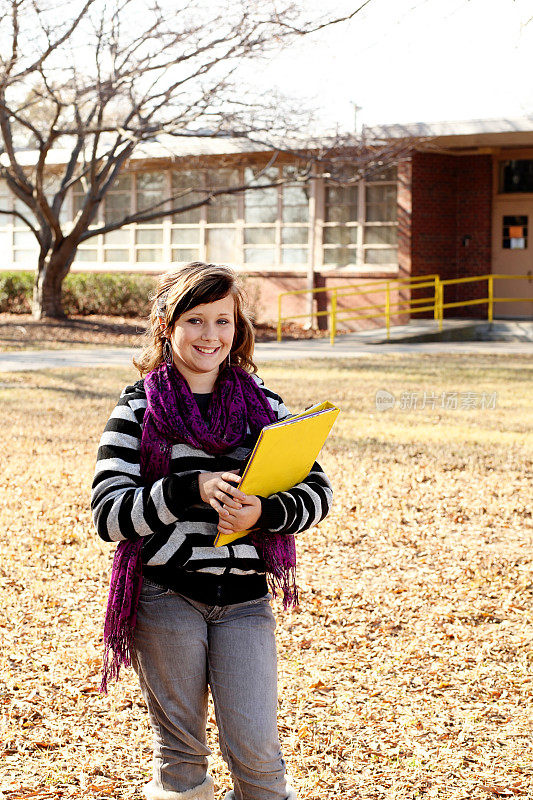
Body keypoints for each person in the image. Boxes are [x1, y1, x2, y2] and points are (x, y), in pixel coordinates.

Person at [91, 263, 333, 800]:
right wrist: (187, 488)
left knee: (258, 755)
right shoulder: (138, 407)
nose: (210, 336)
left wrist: (262, 515)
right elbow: (108, 513)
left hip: (246, 600)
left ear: (237, 327)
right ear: (165, 325)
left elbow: (319, 493)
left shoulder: (263, 406)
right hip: (165, 595)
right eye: (195, 320)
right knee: (181, 757)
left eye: (223, 320)